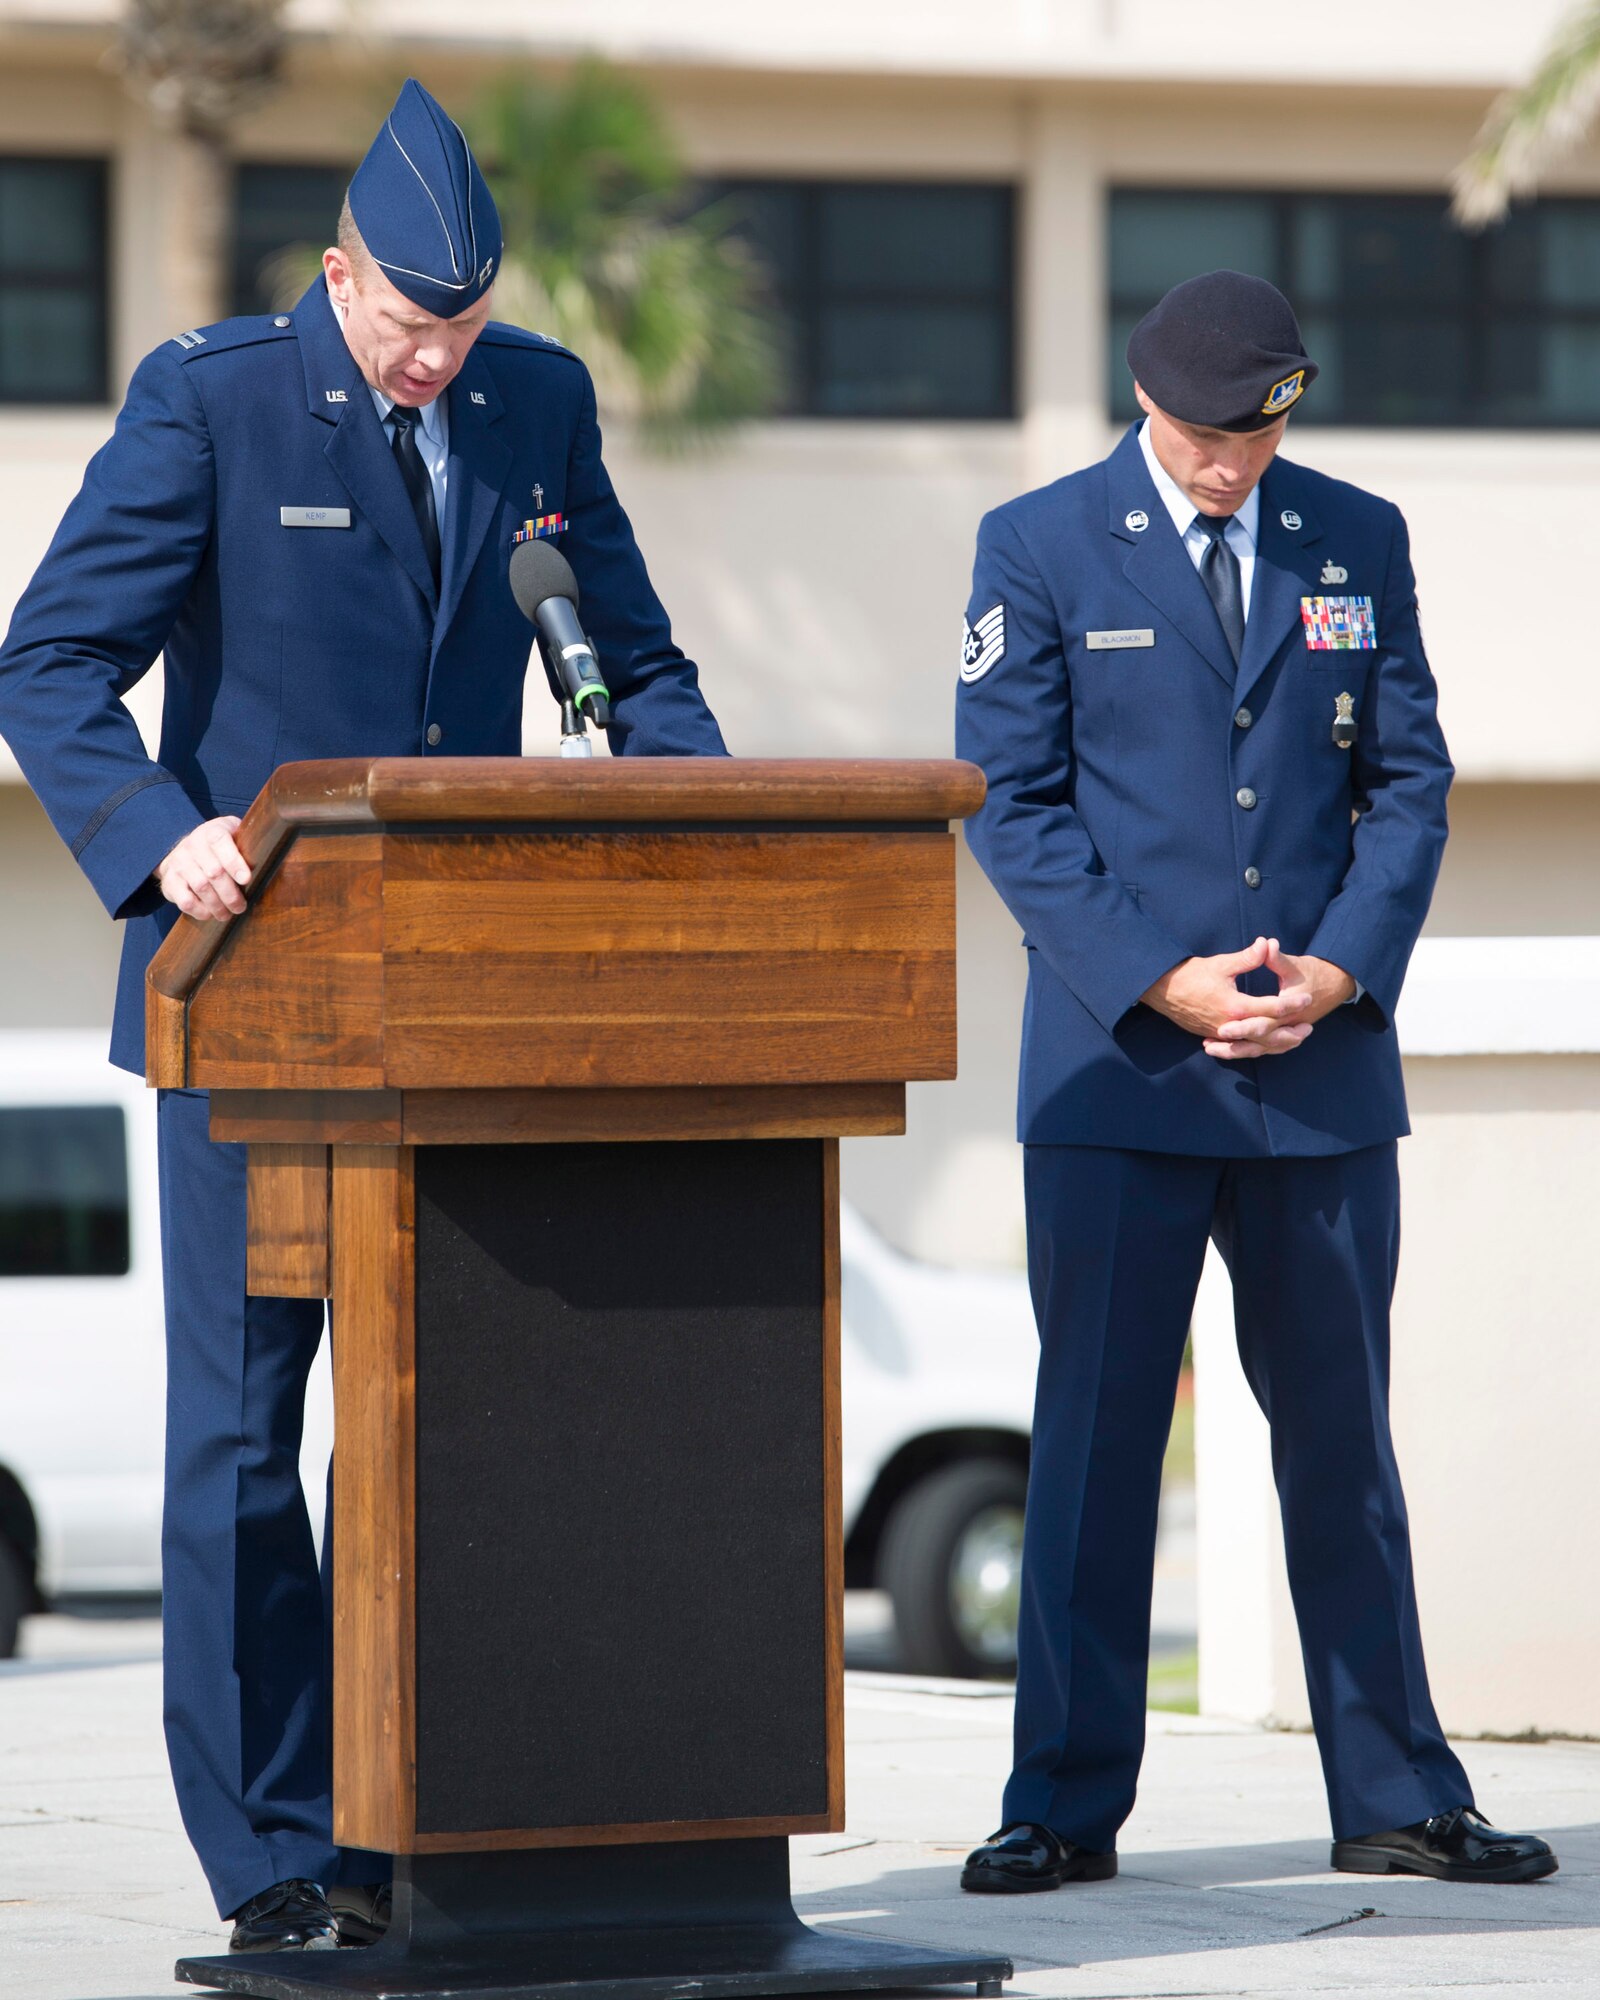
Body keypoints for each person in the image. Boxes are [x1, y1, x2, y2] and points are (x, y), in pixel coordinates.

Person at [0, 80, 725, 1952]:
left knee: (429, 1432)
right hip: (253, 1005)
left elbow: (630, 657)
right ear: (339, 274)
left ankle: (411, 1818)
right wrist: (160, 842)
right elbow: (54, 659)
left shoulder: (537, 401)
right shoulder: (214, 398)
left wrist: (708, 833)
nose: (433, 366)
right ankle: (270, 1854)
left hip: (461, 1013)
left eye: (461, 332)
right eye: (410, 328)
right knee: (244, 1438)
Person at [954, 270, 1555, 1894]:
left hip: (1321, 1076)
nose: (1235, 464)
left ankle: (1397, 1792)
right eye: (1210, 435)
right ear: (1146, 405)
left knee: (1344, 1443)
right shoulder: (1041, 545)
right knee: (1091, 1450)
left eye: (1262, 431)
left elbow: (1409, 779)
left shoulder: (1353, 532)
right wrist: (1165, 976)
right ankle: (1060, 1806)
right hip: (1121, 1072)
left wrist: (1343, 971)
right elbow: (1012, 809)